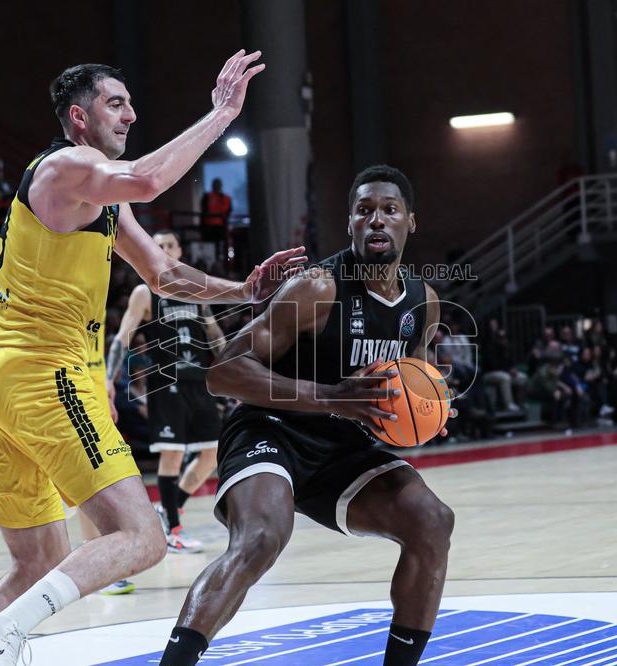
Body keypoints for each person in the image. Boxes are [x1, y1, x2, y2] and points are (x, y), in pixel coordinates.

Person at [0, 53, 307, 666]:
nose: (132, 114)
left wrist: (242, 291)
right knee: (140, 539)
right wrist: (221, 114)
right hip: (43, 373)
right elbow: (146, 178)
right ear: (79, 117)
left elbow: (164, 274)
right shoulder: (66, 166)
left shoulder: (99, 193)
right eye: (117, 103)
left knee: (35, 566)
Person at [159, 165, 455, 666]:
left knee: (432, 522)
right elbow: (223, 372)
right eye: (364, 211)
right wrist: (330, 396)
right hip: (269, 429)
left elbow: (417, 369)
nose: (376, 220)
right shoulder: (317, 288)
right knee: (261, 539)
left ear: (411, 222)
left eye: (389, 210)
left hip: (342, 445)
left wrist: (430, 407)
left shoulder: (423, 302)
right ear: (349, 224)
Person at [107, 230, 228, 553]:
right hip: (166, 383)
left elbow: (214, 335)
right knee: (172, 454)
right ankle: (173, 528)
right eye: (157, 246)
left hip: (198, 381)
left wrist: (234, 368)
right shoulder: (144, 292)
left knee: (212, 453)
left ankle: (169, 508)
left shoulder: (195, 289)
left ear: (180, 250)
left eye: (169, 245)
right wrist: (109, 376)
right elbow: (122, 337)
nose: (163, 249)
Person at [199, 177, 232, 245]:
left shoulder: (226, 198)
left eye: (218, 184)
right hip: (208, 227)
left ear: (221, 186)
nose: (217, 186)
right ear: (212, 185)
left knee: (221, 246)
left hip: (221, 227)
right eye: (215, 184)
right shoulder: (207, 196)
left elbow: (229, 211)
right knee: (209, 246)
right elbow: (203, 211)